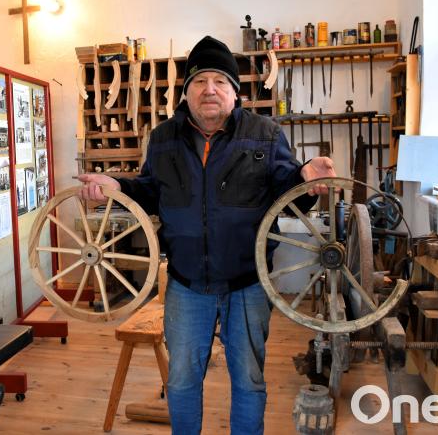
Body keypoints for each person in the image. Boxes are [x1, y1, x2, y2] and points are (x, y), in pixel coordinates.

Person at [78, 36, 335, 435]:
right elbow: (149, 190)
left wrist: (304, 180)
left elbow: (289, 197)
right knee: (181, 379)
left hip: (248, 283)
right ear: (186, 92)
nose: (209, 89)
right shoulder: (164, 138)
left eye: (219, 81)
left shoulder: (264, 134)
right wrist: (115, 185)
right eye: (199, 81)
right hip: (186, 284)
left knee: (248, 379)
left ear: (235, 91)